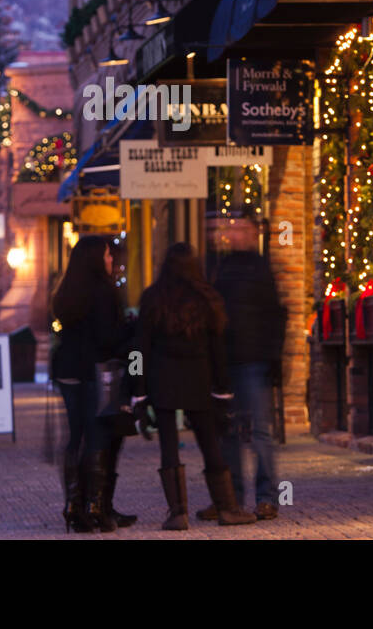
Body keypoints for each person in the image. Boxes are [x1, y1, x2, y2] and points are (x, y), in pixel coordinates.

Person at [133, 243, 256, 529]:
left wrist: (138, 389)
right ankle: (227, 508)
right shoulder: (206, 298)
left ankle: (178, 513)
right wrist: (223, 388)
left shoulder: (153, 298)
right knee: (209, 442)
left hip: (162, 379)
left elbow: (140, 349)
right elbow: (218, 349)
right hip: (198, 379)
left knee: (168, 445)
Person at [199, 219, 286, 521]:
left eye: (240, 229)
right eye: (231, 229)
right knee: (229, 433)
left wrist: (273, 359)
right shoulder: (219, 267)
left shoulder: (258, 268)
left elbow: (275, 315)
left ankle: (267, 498)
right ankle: (231, 498)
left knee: (260, 431)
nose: (232, 234)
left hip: (253, 360)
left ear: (252, 234)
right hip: (227, 361)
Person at [49, 235, 134, 533]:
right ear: (97, 259)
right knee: (97, 436)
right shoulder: (104, 292)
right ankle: (95, 507)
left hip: (67, 371)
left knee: (75, 437)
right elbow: (106, 339)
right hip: (95, 373)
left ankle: (74, 505)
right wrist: (130, 329)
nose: (112, 260)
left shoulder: (67, 290)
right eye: (108, 256)